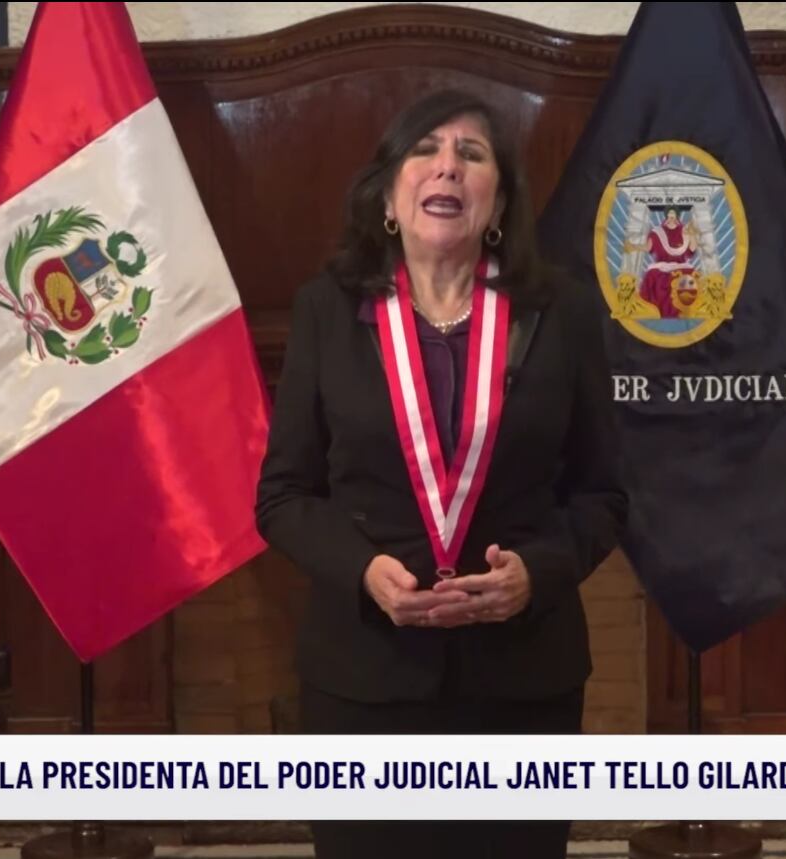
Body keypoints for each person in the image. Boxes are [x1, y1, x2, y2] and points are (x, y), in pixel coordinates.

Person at [254, 90, 627, 859]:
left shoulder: (563, 312)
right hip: (362, 677)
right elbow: (283, 496)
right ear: (388, 196)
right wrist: (363, 570)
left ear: (499, 204)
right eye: (424, 149)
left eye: (471, 154)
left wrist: (537, 571)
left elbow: (604, 492)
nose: (447, 166)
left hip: (524, 679)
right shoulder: (327, 310)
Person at [638, 207, 698, 318]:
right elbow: (647, 248)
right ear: (666, 216)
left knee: (692, 275)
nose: (671, 216)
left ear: (677, 216)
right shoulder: (657, 232)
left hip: (681, 265)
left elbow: (692, 249)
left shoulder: (685, 231)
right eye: (669, 214)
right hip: (661, 265)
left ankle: (684, 313)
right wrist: (634, 246)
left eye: (673, 214)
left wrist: (692, 234)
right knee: (653, 275)